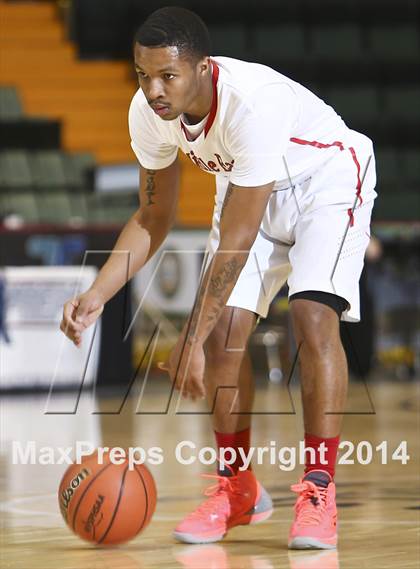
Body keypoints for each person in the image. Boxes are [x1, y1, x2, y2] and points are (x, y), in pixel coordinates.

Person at [60, 7, 377, 550]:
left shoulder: (249, 103)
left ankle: (319, 489)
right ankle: (238, 490)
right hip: (247, 189)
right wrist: (97, 293)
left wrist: (190, 336)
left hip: (325, 182)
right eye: (142, 74)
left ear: (202, 69)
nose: (153, 89)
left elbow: (241, 234)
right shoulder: (147, 111)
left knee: (310, 313)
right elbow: (152, 218)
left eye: (167, 75)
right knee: (227, 335)